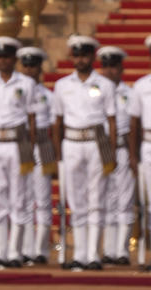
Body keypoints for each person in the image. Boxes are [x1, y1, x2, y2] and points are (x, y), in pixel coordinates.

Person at [52, 35, 116, 271]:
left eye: (85, 55)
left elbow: (111, 121)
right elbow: (57, 122)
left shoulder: (105, 85)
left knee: (96, 199)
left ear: (92, 57)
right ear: (72, 57)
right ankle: (79, 254)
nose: (81, 59)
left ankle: (93, 255)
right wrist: (58, 154)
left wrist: (110, 153)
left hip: (96, 142)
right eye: (77, 55)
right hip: (72, 142)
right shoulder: (61, 86)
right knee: (76, 201)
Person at [0, 37, 36, 269]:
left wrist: (29, 150)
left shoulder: (26, 84)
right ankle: (0, 251)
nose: (3, 60)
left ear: (14, 59)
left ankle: (15, 251)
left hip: (17, 142)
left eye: (7, 57)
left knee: (19, 198)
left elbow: (32, 119)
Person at [18, 46, 56, 264]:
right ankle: (24, 247)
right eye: (26, 65)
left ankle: (41, 249)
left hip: (42, 144)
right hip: (20, 142)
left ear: (40, 68)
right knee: (22, 198)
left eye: (33, 66)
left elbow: (54, 124)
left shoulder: (47, 96)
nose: (29, 70)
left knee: (42, 199)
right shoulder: (16, 91)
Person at [97, 46, 134, 265]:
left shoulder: (130, 93)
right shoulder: (96, 91)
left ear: (121, 68)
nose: (110, 71)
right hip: (100, 149)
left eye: (114, 66)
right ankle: (109, 249)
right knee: (106, 199)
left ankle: (122, 250)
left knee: (125, 200)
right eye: (106, 66)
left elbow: (134, 126)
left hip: (122, 148)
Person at [128, 34, 151, 272]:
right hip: (148, 144)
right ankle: (147, 256)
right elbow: (133, 124)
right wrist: (133, 156)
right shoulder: (141, 86)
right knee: (149, 203)